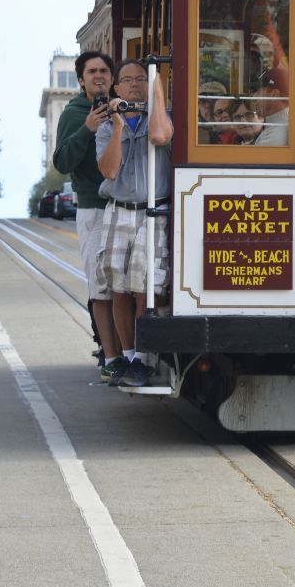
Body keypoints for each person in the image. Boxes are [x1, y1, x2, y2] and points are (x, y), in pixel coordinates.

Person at [95, 59, 174, 388]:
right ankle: (126, 356)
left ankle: (141, 359)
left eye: (142, 79)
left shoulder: (163, 116)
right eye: (126, 80)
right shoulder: (106, 126)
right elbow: (110, 171)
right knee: (119, 287)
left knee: (145, 286)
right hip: (119, 209)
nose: (133, 85)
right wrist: (117, 126)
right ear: (116, 88)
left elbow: (159, 135)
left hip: (152, 210)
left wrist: (156, 93)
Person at [52, 51, 121, 380]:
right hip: (93, 208)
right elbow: (62, 162)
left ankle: (130, 353)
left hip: (124, 206)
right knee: (100, 285)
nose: (99, 76)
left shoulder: (122, 108)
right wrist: (87, 129)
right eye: (92, 71)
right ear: (81, 80)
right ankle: (109, 356)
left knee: (127, 284)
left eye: (104, 71)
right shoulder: (74, 113)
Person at [254, 67, 290, 146]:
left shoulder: (273, 136)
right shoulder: (286, 123)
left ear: (274, 94)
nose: (254, 96)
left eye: (258, 91)